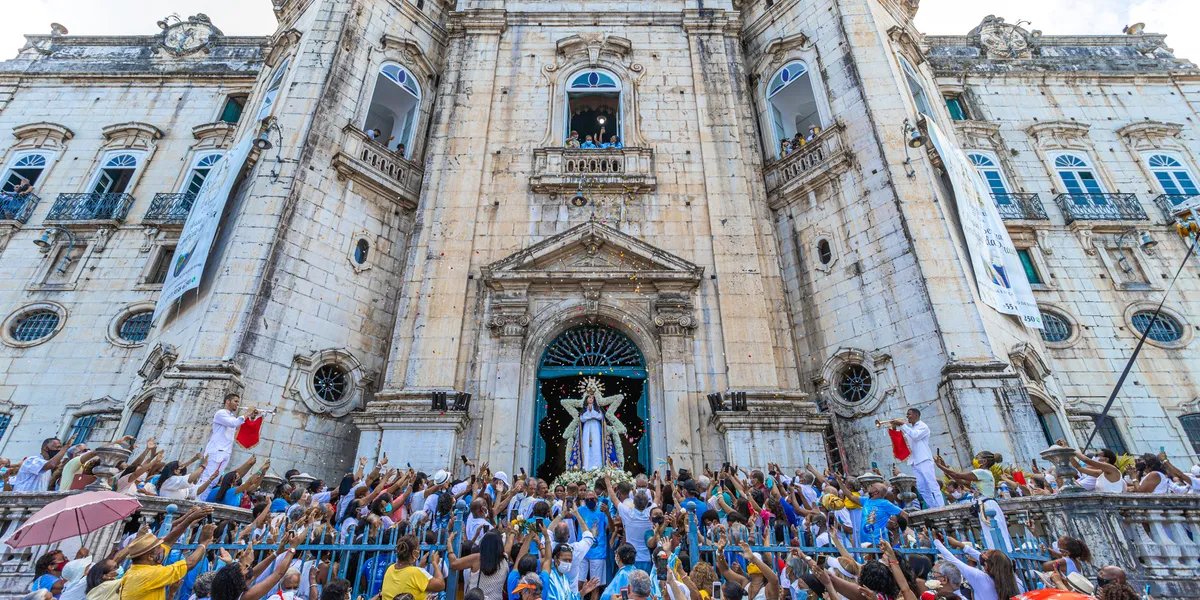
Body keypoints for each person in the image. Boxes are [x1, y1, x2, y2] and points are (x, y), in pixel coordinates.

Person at [120, 506, 216, 600]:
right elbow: (189, 563)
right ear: (150, 557)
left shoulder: (140, 567)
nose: (163, 549)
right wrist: (204, 542)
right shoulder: (149, 574)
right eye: (159, 548)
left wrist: (189, 519)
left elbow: (168, 541)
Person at [933, 450, 1012, 551]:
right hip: (984, 506)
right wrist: (944, 467)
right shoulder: (983, 475)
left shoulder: (981, 472)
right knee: (991, 537)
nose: (975, 460)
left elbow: (957, 475)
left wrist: (939, 466)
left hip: (987, 506)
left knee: (994, 536)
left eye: (978, 457)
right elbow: (959, 480)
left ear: (983, 461)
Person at [931, 531, 1019, 600]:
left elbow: (953, 560)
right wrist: (960, 545)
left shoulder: (980, 577)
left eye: (985, 553)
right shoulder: (1012, 579)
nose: (982, 554)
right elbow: (983, 558)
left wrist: (936, 541)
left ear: (987, 566)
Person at [887, 409, 944, 508]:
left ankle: (942, 506)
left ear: (916, 415)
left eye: (909, 414)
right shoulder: (911, 428)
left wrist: (903, 425)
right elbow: (903, 439)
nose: (907, 416)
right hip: (915, 461)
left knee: (932, 484)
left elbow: (915, 436)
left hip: (924, 459)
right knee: (922, 488)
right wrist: (894, 427)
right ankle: (933, 507)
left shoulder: (923, 426)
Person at [201, 394, 258, 486]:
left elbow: (239, 426)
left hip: (225, 452)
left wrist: (251, 416)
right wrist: (247, 413)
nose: (237, 404)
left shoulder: (231, 416)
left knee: (215, 480)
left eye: (238, 402)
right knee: (207, 478)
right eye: (235, 401)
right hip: (216, 450)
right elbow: (233, 423)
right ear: (227, 401)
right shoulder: (221, 413)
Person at [381, 535, 445, 600]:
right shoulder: (416, 572)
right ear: (414, 552)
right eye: (418, 549)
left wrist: (420, 566)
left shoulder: (390, 568)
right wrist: (435, 563)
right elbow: (441, 585)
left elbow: (409, 580)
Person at [858, 483, 905, 547]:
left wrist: (901, 531)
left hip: (878, 543)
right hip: (864, 541)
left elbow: (904, 514)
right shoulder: (866, 500)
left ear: (876, 492)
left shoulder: (885, 503)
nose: (870, 487)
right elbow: (850, 496)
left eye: (872, 486)